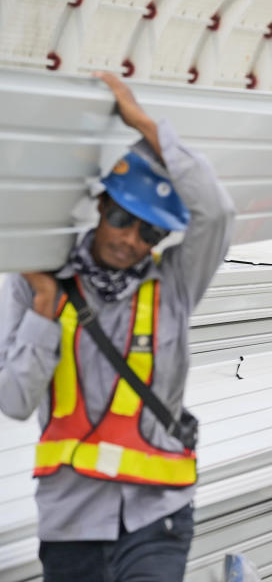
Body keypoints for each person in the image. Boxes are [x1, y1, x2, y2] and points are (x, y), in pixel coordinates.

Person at [0, 72, 235, 581]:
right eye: (124, 219)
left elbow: (216, 213)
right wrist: (44, 305)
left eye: (150, 231)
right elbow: (15, 400)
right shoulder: (35, 282)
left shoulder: (172, 287)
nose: (131, 240)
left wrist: (147, 126)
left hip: (157, 514)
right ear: (101, 205)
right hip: (72, 521)